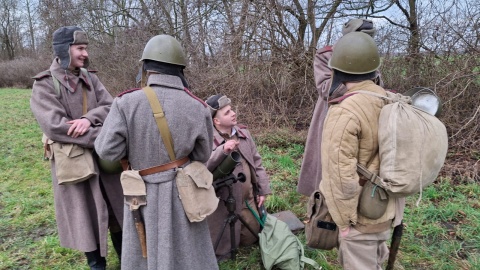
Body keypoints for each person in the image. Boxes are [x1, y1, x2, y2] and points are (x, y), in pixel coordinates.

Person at [94, 34, 219, 270]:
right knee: (188, 253)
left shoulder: (126, 103)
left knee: (144, 253)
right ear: (180, 69)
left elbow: (106, 150)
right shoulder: (197, 106)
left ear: (146, 68)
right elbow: (203, 155)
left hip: (140, 193)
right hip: (183, 192)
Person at [30, 26, 123, 269]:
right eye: (80, 48)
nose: (85, 54)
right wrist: (102, 135)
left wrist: (88, 119)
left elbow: (112, 107)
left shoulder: (91, 78)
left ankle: (128, 261)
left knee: (117, 212)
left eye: (86, 48)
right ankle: (97, 265)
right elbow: (56, 127)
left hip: (105, 161)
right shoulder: (44, 85)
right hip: (73, 164)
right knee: (85, 219)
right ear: (64, 50)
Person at [319, 32, 404, 269]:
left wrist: (344, 222)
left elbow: (339, 174)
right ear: (374, 69)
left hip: (361, 217)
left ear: (337, 70)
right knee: (376, 259)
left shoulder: (345, 111)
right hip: (390, 208)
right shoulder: (391, 99)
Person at [297, 18, 382, 197]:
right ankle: (324, 200)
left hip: (365, 115)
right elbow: (326, 90)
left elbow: (378, 87)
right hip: (333, 113)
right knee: (330, 159)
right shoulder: (326, 55)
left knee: (360, 162)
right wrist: (347, 76)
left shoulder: (368, 56)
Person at [205, 94, 272, 261]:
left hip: (247, 199)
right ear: (216, 121)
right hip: (221, 204)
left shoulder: (244, 133)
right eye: (227, 113)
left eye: (231, 110)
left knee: (251, 239)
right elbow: (202, 168)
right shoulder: (206, 139)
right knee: (223, 249)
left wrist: (262, 190)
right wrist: (222, 150)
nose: (233, 113)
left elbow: (257, 163)